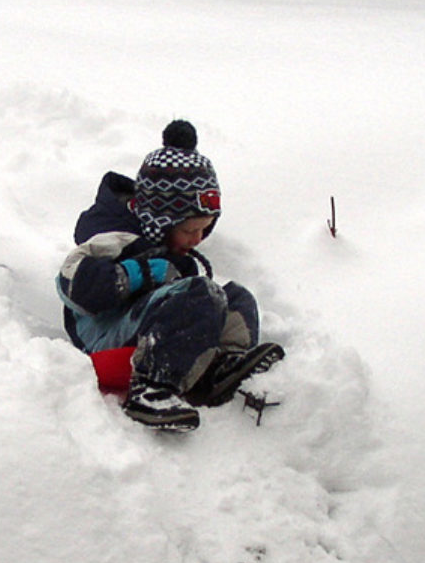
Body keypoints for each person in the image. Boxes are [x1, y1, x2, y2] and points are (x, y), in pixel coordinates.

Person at [57, 120, 283, 432]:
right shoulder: (115, 237)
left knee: (235, 296)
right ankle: (150, 388)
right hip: (105, 337)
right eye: (190, 230)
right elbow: (72, 283)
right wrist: (139, 274)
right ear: (159, 221)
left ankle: (222, 365)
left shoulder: (173, 253)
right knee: (200, 293)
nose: (198, 239)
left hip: (149, 333)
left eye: (205, 229)